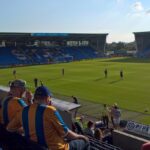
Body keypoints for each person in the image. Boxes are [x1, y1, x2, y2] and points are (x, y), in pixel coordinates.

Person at [7, 86, 90, 150]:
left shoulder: (23, 111)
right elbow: (66, 134)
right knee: (85, 142)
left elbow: (9, 128)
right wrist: (80, 136)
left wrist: (28, 128)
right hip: (56, 148)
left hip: (33, 147)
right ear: (47, 98)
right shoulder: (49, 110)